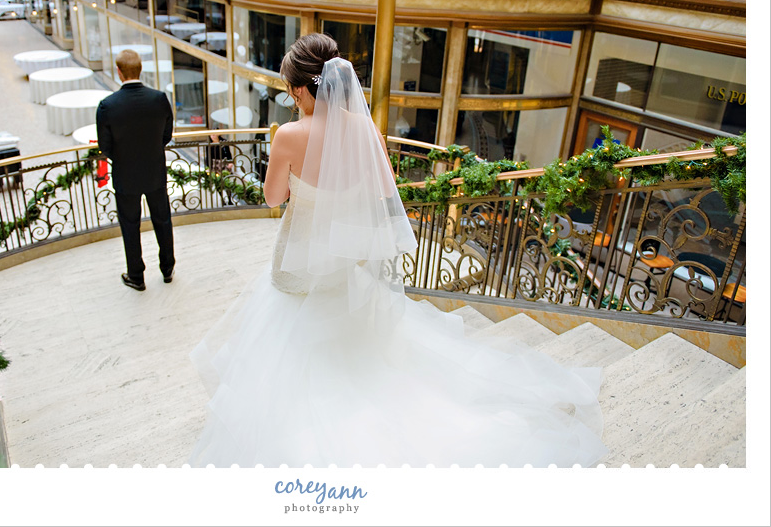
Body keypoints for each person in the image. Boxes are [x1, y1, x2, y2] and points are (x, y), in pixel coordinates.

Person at [186, 33, 608, 468]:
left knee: (289, 346)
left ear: (299, 88)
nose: (290, 97)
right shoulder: (363, 129)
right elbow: (380, 188)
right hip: (344, 262)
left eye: (289, 89)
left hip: (299, 261)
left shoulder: (289, 135)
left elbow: (274, 198)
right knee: (349, 345)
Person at [96, 49, 176, 291]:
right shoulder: (159, 99)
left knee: (130, 225)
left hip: (126, 176)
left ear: (119, 72)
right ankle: (168, 268)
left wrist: (126, 158)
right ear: (140, 70)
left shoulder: (107, 106)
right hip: (155, 173)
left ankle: (136, 276)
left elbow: (105, 147)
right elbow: (166, 135)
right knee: (162, 220)